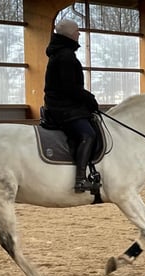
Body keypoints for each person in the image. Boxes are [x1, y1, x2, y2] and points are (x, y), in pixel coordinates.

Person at [43, 19, 99, 193]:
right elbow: (70, 88)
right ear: (68, 33)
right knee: (88, 134)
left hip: (62, 104)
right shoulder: (65, 55)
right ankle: (80, 180)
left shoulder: (62, 53)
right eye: (77, 30)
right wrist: (89, 99)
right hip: (63, 107)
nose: (79, 33)